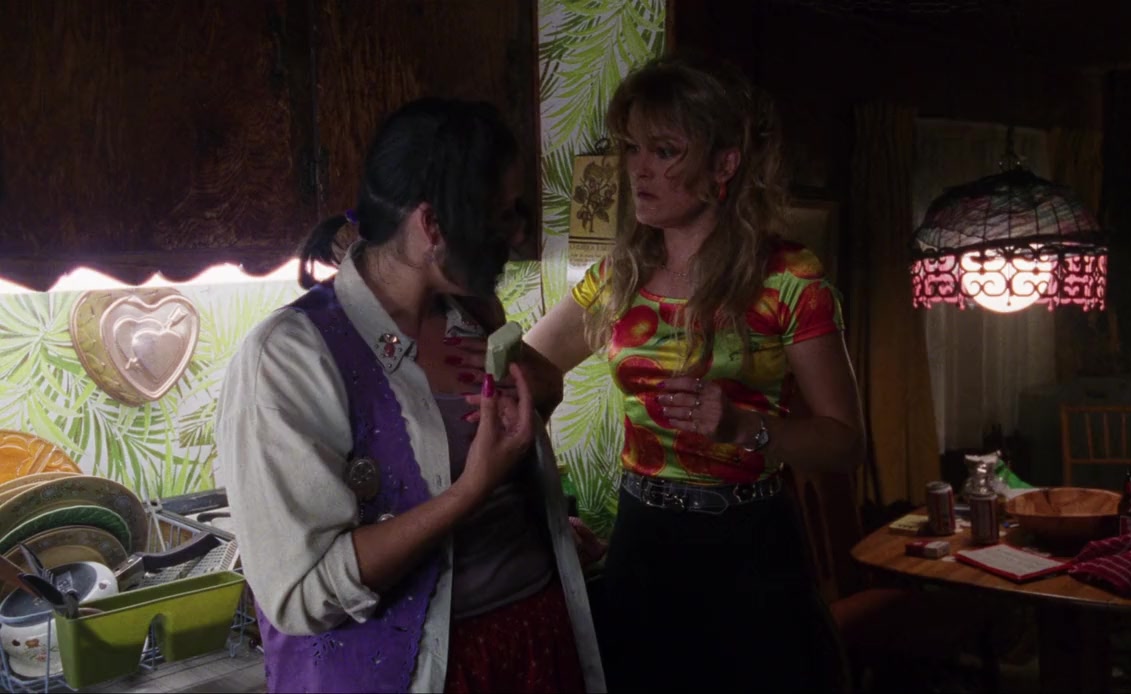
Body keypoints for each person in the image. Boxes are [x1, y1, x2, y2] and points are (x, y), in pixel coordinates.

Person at [216, 97, 605, 693]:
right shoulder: (289, 357)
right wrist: (468, 492)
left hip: (536, 645)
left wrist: (541, 396)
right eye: (502, 215)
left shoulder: (473, 314)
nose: (519, 233)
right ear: (432, 226)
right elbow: (303, 593)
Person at [525, 55, 865, 692]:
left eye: (664, 151)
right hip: (644, 536)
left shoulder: (788, 278)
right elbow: (524, 374)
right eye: (632, 148)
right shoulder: (618, 277)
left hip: (749, 544)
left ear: (724, 164)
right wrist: (538, 505)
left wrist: (745, 427)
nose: (638, 169)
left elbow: (845, 442)